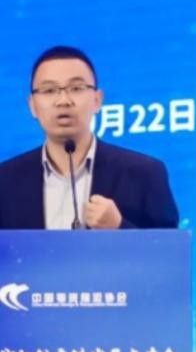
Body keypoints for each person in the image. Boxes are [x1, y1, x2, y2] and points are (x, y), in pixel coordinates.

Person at [0, 45, 178, 230]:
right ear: (32, 105)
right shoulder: (5, 181)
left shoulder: (144, 173)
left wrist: (119, 227)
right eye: (49, 90)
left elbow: (169, 247)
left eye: (76, 88)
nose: (63, 101)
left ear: (97, 100)